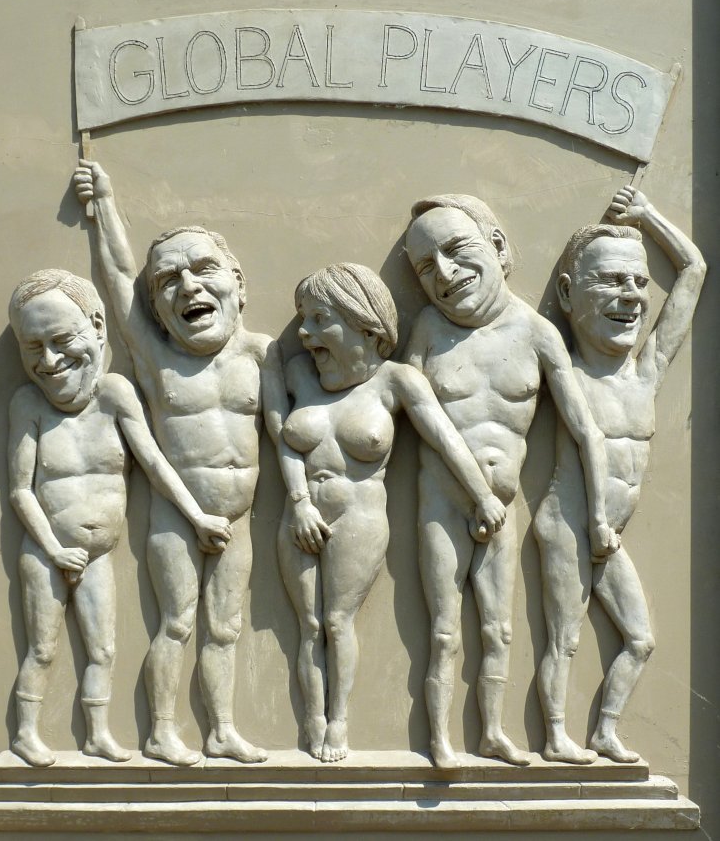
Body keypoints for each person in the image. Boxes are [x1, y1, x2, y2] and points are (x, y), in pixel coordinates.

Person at [74, 160, 291, 764]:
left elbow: (287, 430)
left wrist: (307, 496)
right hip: (176, 516)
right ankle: (162, 731)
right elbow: (119, 276)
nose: (188, 286)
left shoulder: (263, 354)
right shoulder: (155, 357)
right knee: (177, 622)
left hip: (238, 520)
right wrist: (104, 204)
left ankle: (220, 730)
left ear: (237, 283)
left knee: (225, 628)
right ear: (156, 306)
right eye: (168, 280)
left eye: (203, 269)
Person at [404, 194, 617, 768]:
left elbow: (585, 431)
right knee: (445, 631)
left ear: (497, 247)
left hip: (504, 506)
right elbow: (411, 411)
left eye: (456, 249)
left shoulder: (538, 332)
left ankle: (493, 733)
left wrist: (599, 517)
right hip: (443, 504)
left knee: (498, 630)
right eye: (424, 266)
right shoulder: (427, 329)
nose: (443, 272)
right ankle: (440, 740)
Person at [278, 263, 506, 762]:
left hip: (358, 518)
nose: (304, 333)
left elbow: (445, 439)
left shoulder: (395, 381)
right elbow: (286, 445)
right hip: (301, 517)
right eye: (303, 319)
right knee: (309, 626)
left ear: (364, 323)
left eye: (318, 319)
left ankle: (338, 722)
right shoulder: (297, 374)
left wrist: (482, 496)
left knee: (337, 622)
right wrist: (298, 503)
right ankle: (313, 719)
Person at [8, 269, 231, 767]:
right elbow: (21, 490)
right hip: (45, 552)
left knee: (103, 650)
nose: (49, 360)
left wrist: (197, 517)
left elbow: (154, 463)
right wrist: (53, 549)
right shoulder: (28, 405)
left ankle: (97, 735)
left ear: (97, 327)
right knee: (42, 649)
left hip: (97, 556)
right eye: (33, 347)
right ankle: (26, 733)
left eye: (62, 340)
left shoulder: (114, 394)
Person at [535, 186, 706, 764]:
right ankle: (555, 736)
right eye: (611, 280)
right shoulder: (565, 368)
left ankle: (605, 731)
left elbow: (693, 271)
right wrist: (597, 524)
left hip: (610, 537)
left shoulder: (647, 372)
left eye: (638, 282)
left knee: (640, 639)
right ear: (567, 294)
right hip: (571, 526)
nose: (631, 295)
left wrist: (646, 215)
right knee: (565, 637)